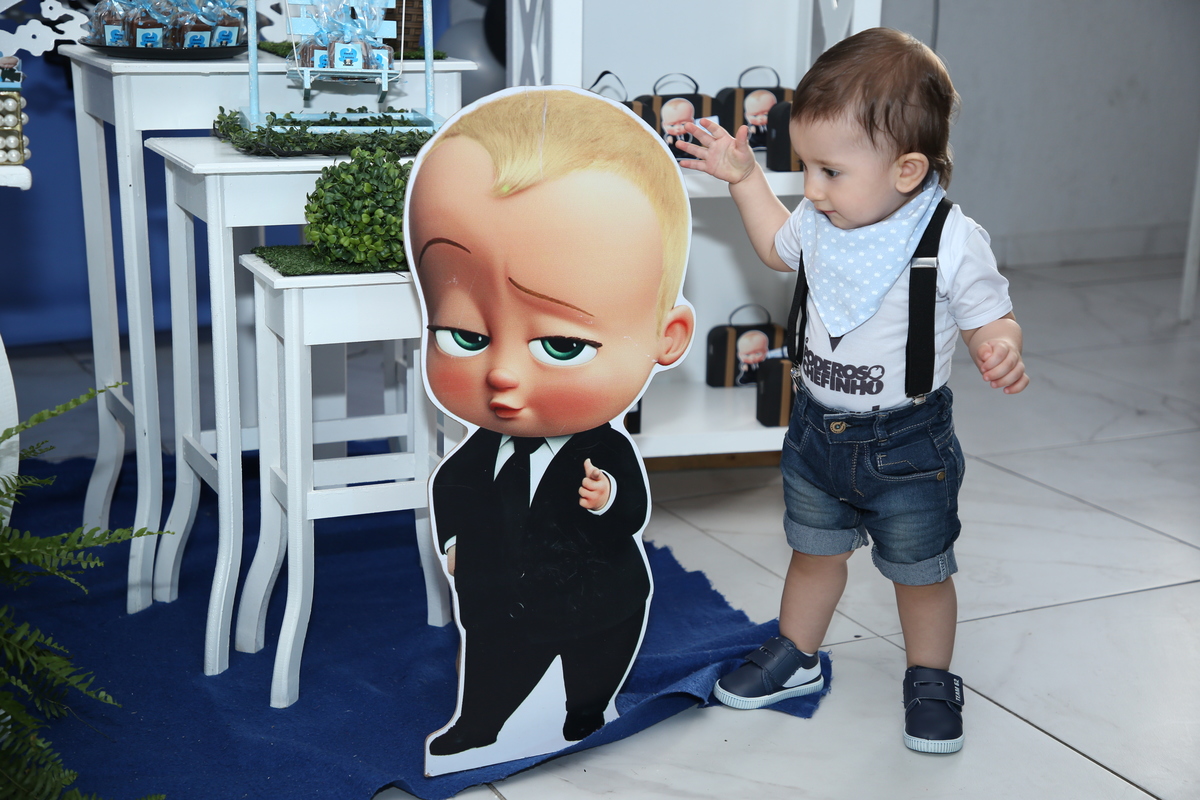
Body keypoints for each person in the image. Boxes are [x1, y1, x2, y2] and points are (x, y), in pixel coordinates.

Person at [677, 27, 1028, 754]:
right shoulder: (820, 219)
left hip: (908, 445)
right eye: (807, 167)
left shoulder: (951, 239)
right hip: (816, 432)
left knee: (920, 574)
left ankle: (930, 677)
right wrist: (743, 178)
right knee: (813, 553)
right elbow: (775, 247)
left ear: (907, 170)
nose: (811, 189)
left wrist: (998, 346)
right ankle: (797, 654)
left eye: (830, 171)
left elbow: (990, 315)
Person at [406, 87, 694, 761]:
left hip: (596, 598)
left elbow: (630, 510)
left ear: (667, 337)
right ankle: (479, 724)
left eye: (561, 345)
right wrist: (454, 540)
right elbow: (453, 485)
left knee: (593, 666)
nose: (503, 374)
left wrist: (609, 498)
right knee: (492, 664)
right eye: (465, 335)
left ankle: (584, 711)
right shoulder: (479, 456)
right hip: (502, 595)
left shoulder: (604, 455)